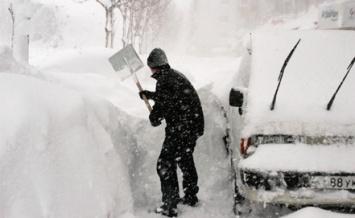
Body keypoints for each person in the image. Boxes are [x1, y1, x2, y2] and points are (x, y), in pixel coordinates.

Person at [139, 48, 204, 217]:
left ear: (154, 66)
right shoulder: (173, 75)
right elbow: (170, 97)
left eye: (151, 67)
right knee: (184, 158)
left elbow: (165, 104)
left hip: (181, 128)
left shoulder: (165, 81)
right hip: (192, 125)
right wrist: (150, 95)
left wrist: (155, 116)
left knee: (165, 164)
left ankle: (170, 205)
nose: (150, 70)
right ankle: (190, 197)